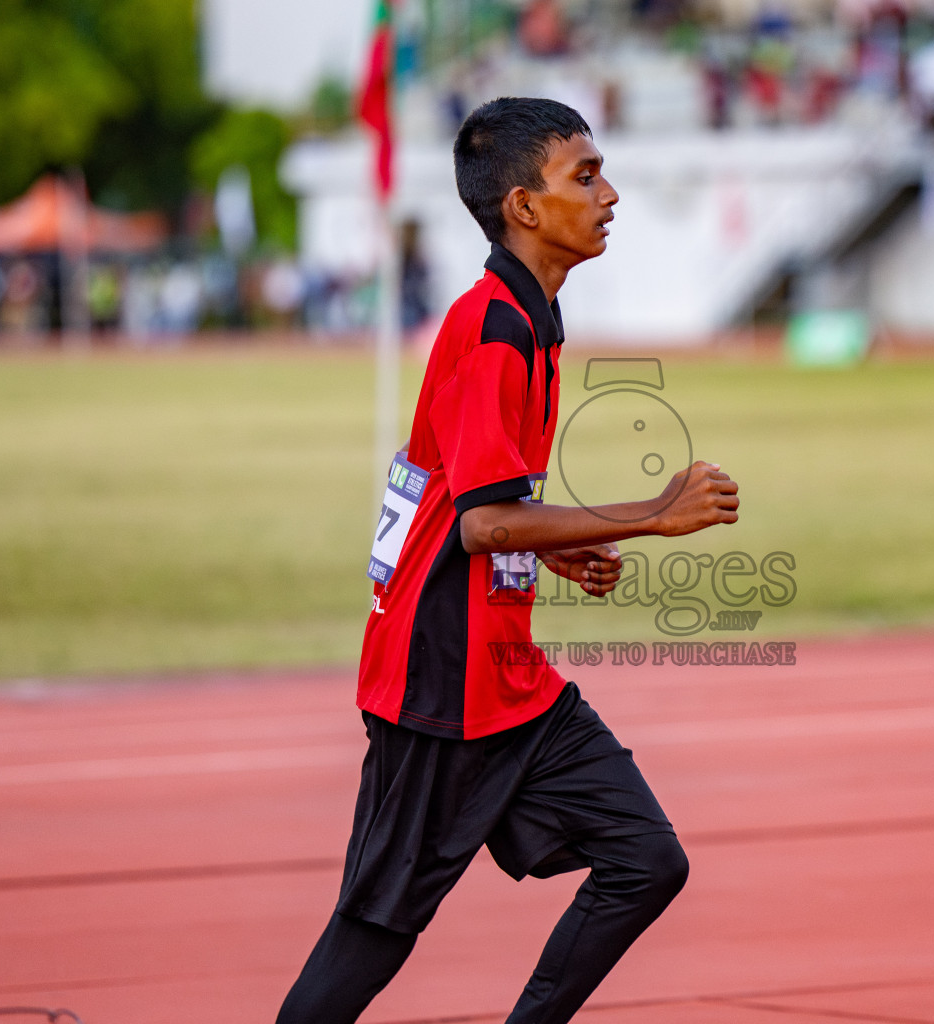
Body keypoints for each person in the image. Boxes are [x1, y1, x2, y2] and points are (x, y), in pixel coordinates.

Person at [275, 97, 741, 1024]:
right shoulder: (494, 331)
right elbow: (484, 526)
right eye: (586, 176)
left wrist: (559, 550)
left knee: (647, 859)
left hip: (508, 682)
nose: (610, 193)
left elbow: (476, 499)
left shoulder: (531, 318)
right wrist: (653, 514)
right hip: (437, 686)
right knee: (372, 935)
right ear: (524, 206)